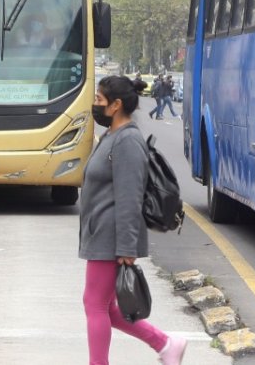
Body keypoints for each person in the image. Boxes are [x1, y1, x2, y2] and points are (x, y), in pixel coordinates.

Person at [79, 75, 186, 365]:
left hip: (111, 235)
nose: (95, 105)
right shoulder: (114, 136)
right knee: (108, 308)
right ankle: (166, 344)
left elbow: (130, 197)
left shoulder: (127, 141)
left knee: (94, 305)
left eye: (99, 100)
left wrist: (126, 247)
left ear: (116, 105)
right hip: (101, 232)